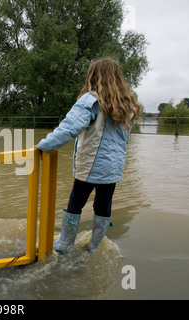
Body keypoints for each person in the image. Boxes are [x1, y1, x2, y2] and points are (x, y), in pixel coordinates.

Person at [36, 58, 141, 254]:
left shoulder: (91, 100)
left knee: (75, 202)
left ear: (93, 77)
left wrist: (42, 147)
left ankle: (65, 245)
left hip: (91, 164)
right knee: (103, 204)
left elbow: (69, 128)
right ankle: (94, 246)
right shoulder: (127, 105)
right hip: (113, 167)